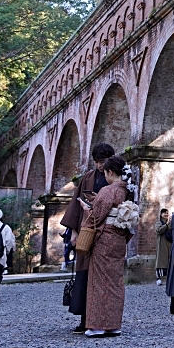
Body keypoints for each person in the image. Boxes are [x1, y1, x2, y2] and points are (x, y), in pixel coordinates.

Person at [61, 142, 115, 333]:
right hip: (86, 231)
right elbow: (76, 205)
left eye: (103, 162)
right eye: (97, 162)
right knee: (85, 276)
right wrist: (74, 232)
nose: (100, 166)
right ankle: (85, 320)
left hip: (106, 232)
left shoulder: (117, 179)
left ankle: (105, 321)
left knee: (102, 278)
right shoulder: (88, 177)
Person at [82, 155, 135, 338]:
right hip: (120, 239)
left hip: (105, 240)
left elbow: (97, 216)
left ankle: (98, 325)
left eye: (105, 173)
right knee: (115, 282)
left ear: (110, 172)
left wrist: (87, 209)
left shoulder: (108, 190)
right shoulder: (128, 191)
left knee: (99, 282)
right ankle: (114, 325)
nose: (104, 176)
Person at [154, 208, 170, 286]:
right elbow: (158, 230)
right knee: (160, 262)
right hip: (161, 245)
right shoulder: (158, 222)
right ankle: (158, 278)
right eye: (164, 213)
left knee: (169, 262)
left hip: (169, 244)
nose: (166, 214)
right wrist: (166, 225)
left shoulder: (170, 222)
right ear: (161, 214)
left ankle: (169, 278)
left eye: (167, 213)